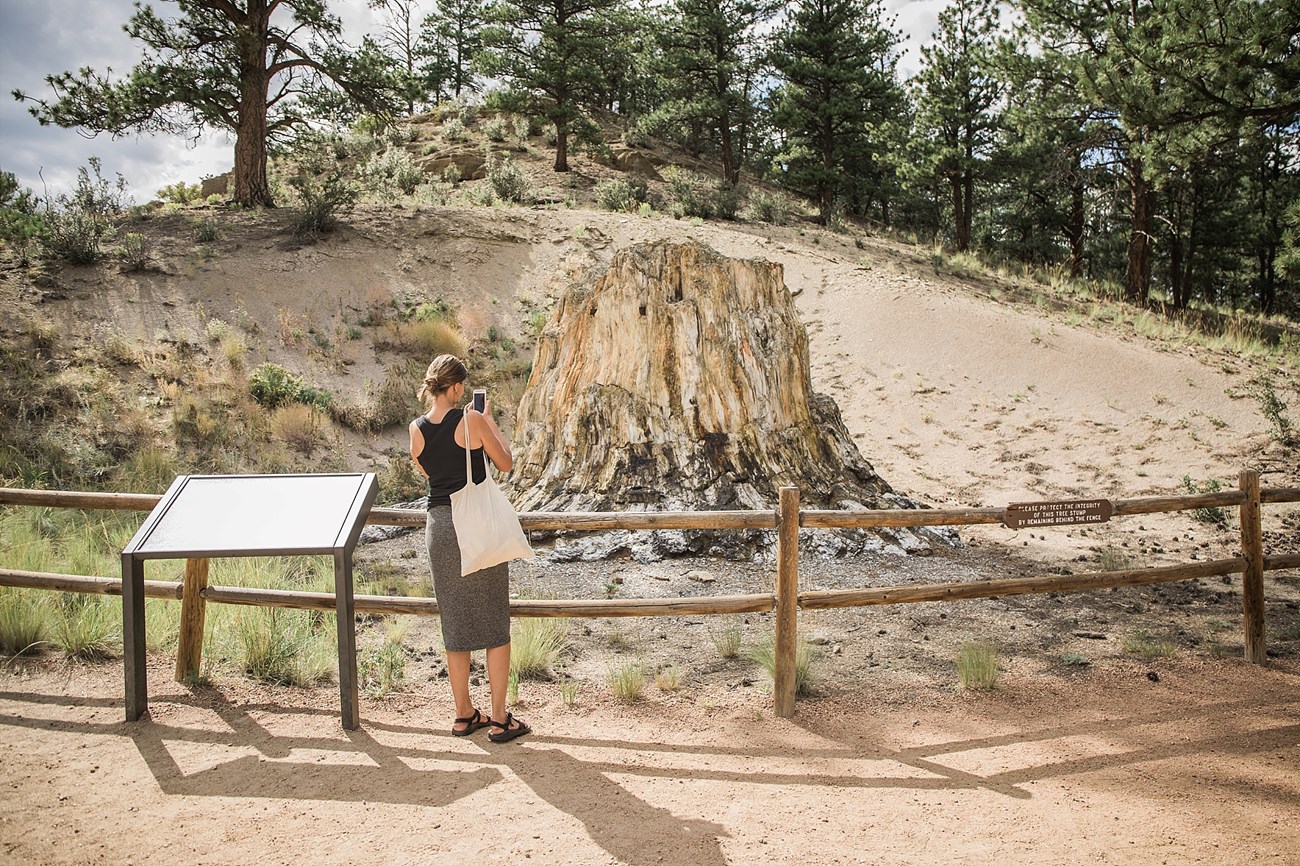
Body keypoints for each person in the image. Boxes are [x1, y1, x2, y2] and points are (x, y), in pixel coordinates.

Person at [409, 354, 531, 743]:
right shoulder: (471, 419)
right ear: (459, 387)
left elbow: (431, 475)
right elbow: (506, 463)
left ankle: (464, 714)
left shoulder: (415, 429)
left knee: (455, 625)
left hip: (439, 529)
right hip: (474, 526)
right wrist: (489, 420)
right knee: (495, 624)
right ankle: (499, 719)